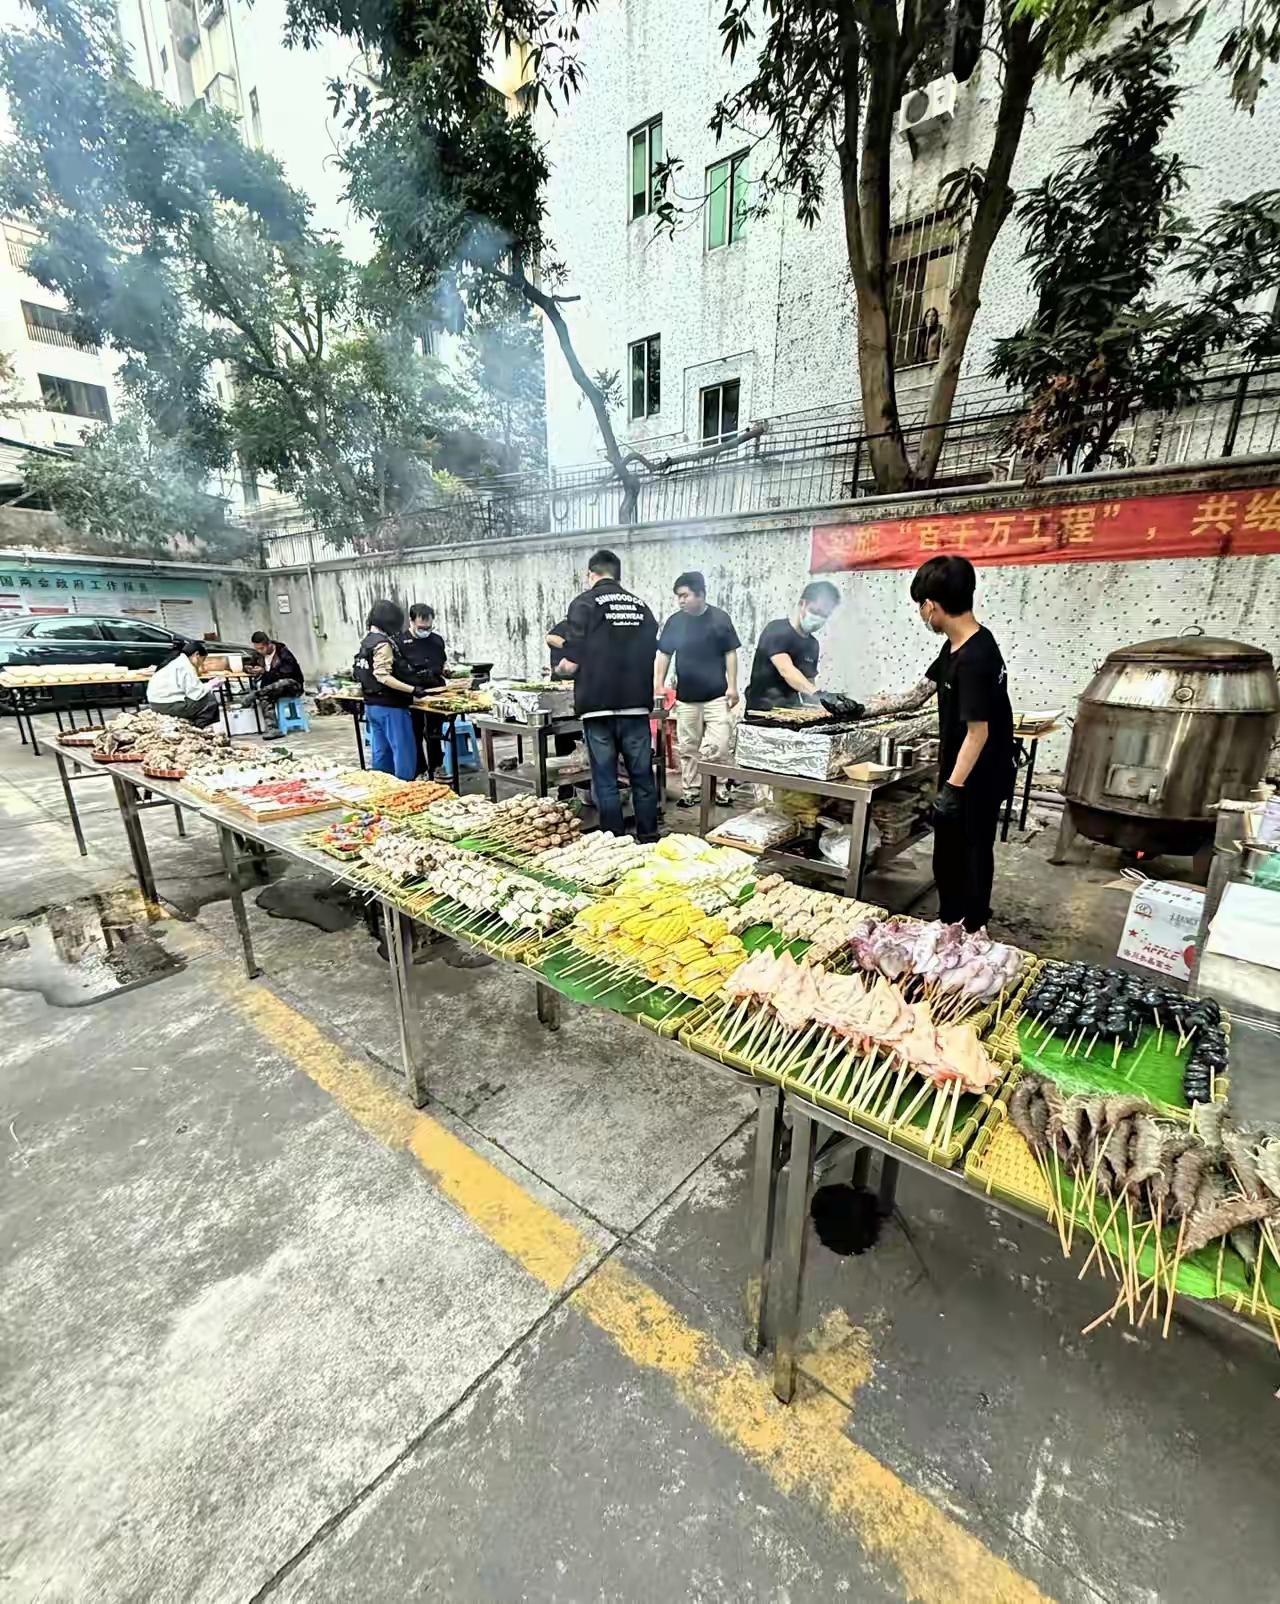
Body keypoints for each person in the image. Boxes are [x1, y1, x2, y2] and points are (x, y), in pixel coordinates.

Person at [863, 555, 1014, 933]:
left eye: (920, 606)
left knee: (970, 852)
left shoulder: (976, 657)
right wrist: (867, 708)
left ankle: (969, 928)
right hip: (964, 768)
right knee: (948, 854)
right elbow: (918, 695)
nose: (921, 614)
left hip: (979, 775)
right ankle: (951, 919)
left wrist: (952, 789)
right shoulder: (956, 646)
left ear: (931, 605)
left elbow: (979, 733)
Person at [555, 549, 660, 842]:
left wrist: (559, 669)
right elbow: (652, 650)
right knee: (642, 777)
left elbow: (571, 663)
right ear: (617, 574)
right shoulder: (641, 607)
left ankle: (615, 842)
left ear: (591, 574)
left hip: (598, 707)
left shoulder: (584, 603)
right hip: (636, 706)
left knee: (606, 780)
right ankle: (649, 837)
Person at [654, 570, 741, 808]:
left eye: (685, 595)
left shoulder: (720, 618)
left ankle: (720, 789)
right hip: (687, 699)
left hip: (717, 697)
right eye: (678, 596)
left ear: (701, 594)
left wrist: (733, 687)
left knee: (719, 747)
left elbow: (730, 653)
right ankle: (691, 790)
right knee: (689, 748)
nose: (681, 601)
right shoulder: (675, 622)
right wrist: (658, 684)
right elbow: (664, 654)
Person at [746, 580, 843, 711]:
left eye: (824, 615)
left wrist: (830, 704)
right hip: (763, 711)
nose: (819, 618)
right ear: (802, 604)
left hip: (792, 710)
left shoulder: (812, 644)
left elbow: (808, 686)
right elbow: (787, 671)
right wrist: (820, 695)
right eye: (816, 611)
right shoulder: (776, 630)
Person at [353, 598, 419, 780]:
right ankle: (405, 788)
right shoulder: (383, 644)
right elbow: (382, 675)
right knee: (403, 750)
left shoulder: (366, 642)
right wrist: (412, 690)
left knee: (381, 751)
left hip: (371, 706)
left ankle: (382, 786)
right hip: (391, 706)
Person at [400, 603, 448, 778]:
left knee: (435, 732)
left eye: (429, 628)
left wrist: (446, 670)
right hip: (413, 693)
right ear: (411, 621)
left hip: (435, 691)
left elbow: (443, 663)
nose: (425, 631)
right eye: (421, 628)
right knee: (415, 732)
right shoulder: (400, 642)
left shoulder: (436, 640)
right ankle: (419, 769)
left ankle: (437, 766)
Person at [146, 639, 222, 727]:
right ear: (197, 655)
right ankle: (198, 727)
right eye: (203, 659)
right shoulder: (185, 666)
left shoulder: (177, 661)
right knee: (209, 700)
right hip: (166, 705)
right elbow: (195, 693)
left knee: (204, 698)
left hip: (156, 702)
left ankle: (194, 724)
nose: (201, 663)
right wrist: (211, 685)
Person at [241, 630, 304, 733]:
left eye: (262, 648)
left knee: (283, 683)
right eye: (257, 649)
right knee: (265, 695)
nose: (260, 651)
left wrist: (264, 671)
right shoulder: (258, 655)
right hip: (270, 688)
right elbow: (248, 664)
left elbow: (285, 674)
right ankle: (272, 728)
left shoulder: (283, 653)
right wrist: (249, 668)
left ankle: (256, 694)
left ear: (269, 644)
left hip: (292, 686)